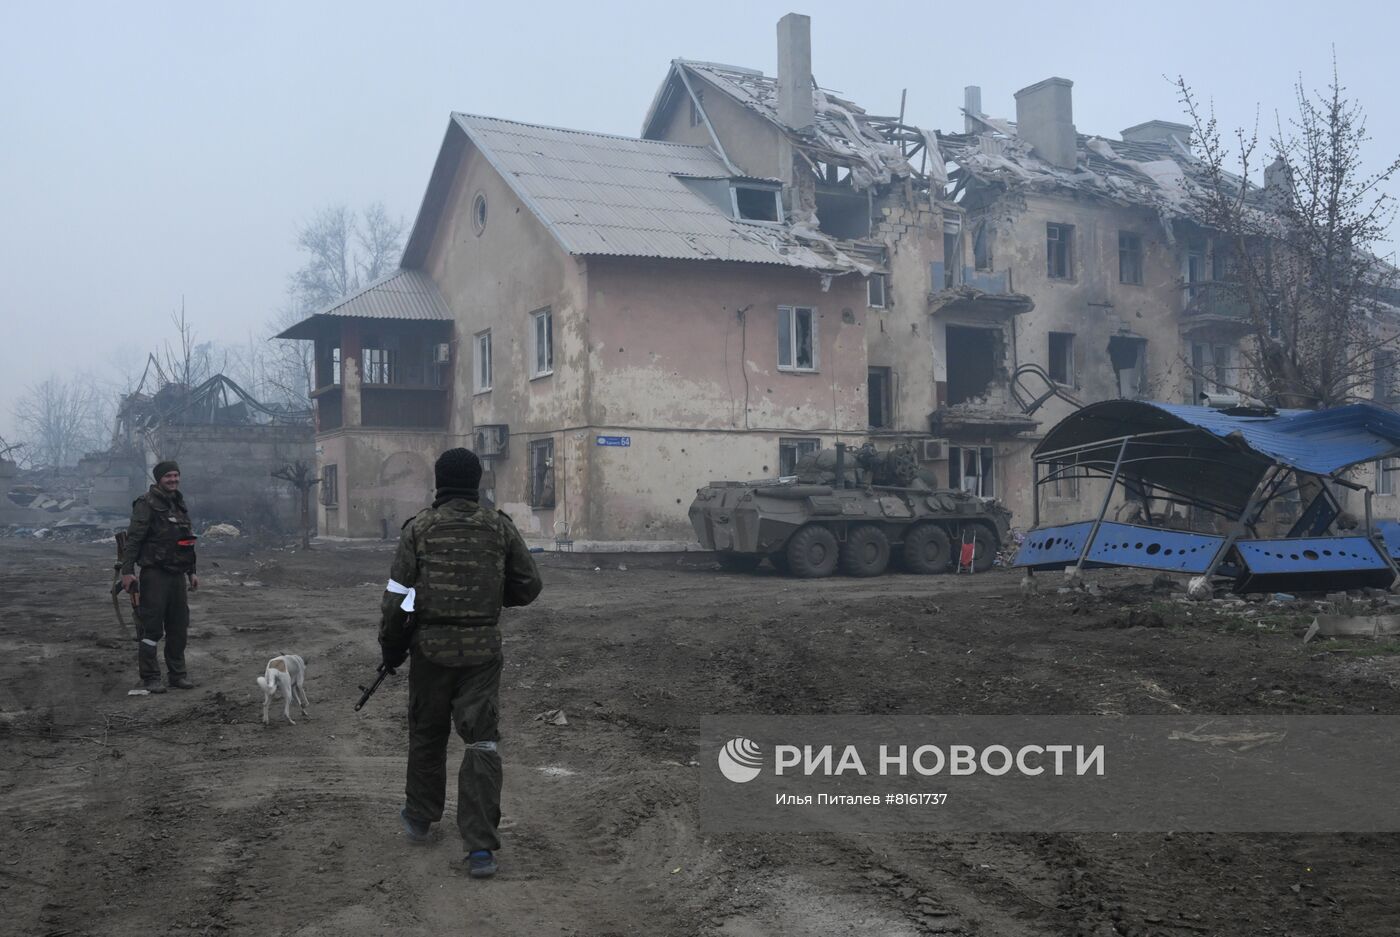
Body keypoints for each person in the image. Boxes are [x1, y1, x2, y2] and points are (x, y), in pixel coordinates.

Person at [380, 447, 542, 879]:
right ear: (477, 483)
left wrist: (391, 647)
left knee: (428, 733)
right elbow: (528, 586)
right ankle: (480, 850)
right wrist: (489, 597)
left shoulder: (419, 529)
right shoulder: (499, 527)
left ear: (439, 481)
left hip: (430, 648)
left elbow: (397, 596)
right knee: (481, 743)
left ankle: (419, 817)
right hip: (482, 651)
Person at [120, 460, 199, 693]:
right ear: (159, 479)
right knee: (152, 628)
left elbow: (186, 540)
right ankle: (151, 677)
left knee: (178, 626)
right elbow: (133, 540)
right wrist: (127, 572)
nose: (173, 480)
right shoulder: (146, 503)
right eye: (168, 476)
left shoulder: (179, 503)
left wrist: (192, 572)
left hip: (177, 575)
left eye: (176, 475)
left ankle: (177, 675)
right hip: (155, 573)